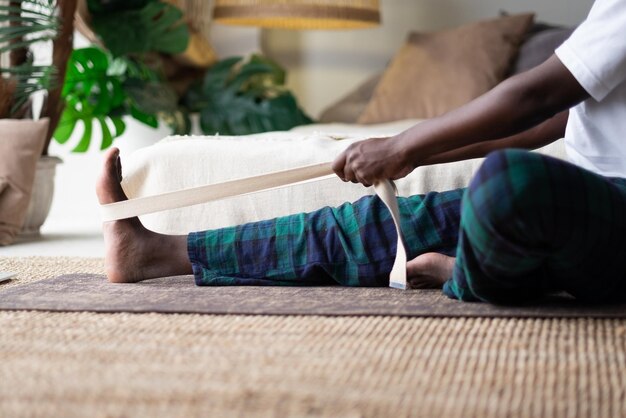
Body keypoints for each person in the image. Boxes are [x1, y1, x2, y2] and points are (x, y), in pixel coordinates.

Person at [97, 0, 626, 304]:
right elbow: (553, 120)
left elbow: (536, 94)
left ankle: (465, 277)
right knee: (373, 226)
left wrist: (402, 144)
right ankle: (156, 253)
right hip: (577, 197)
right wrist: (412, 155)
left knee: (508, 181)